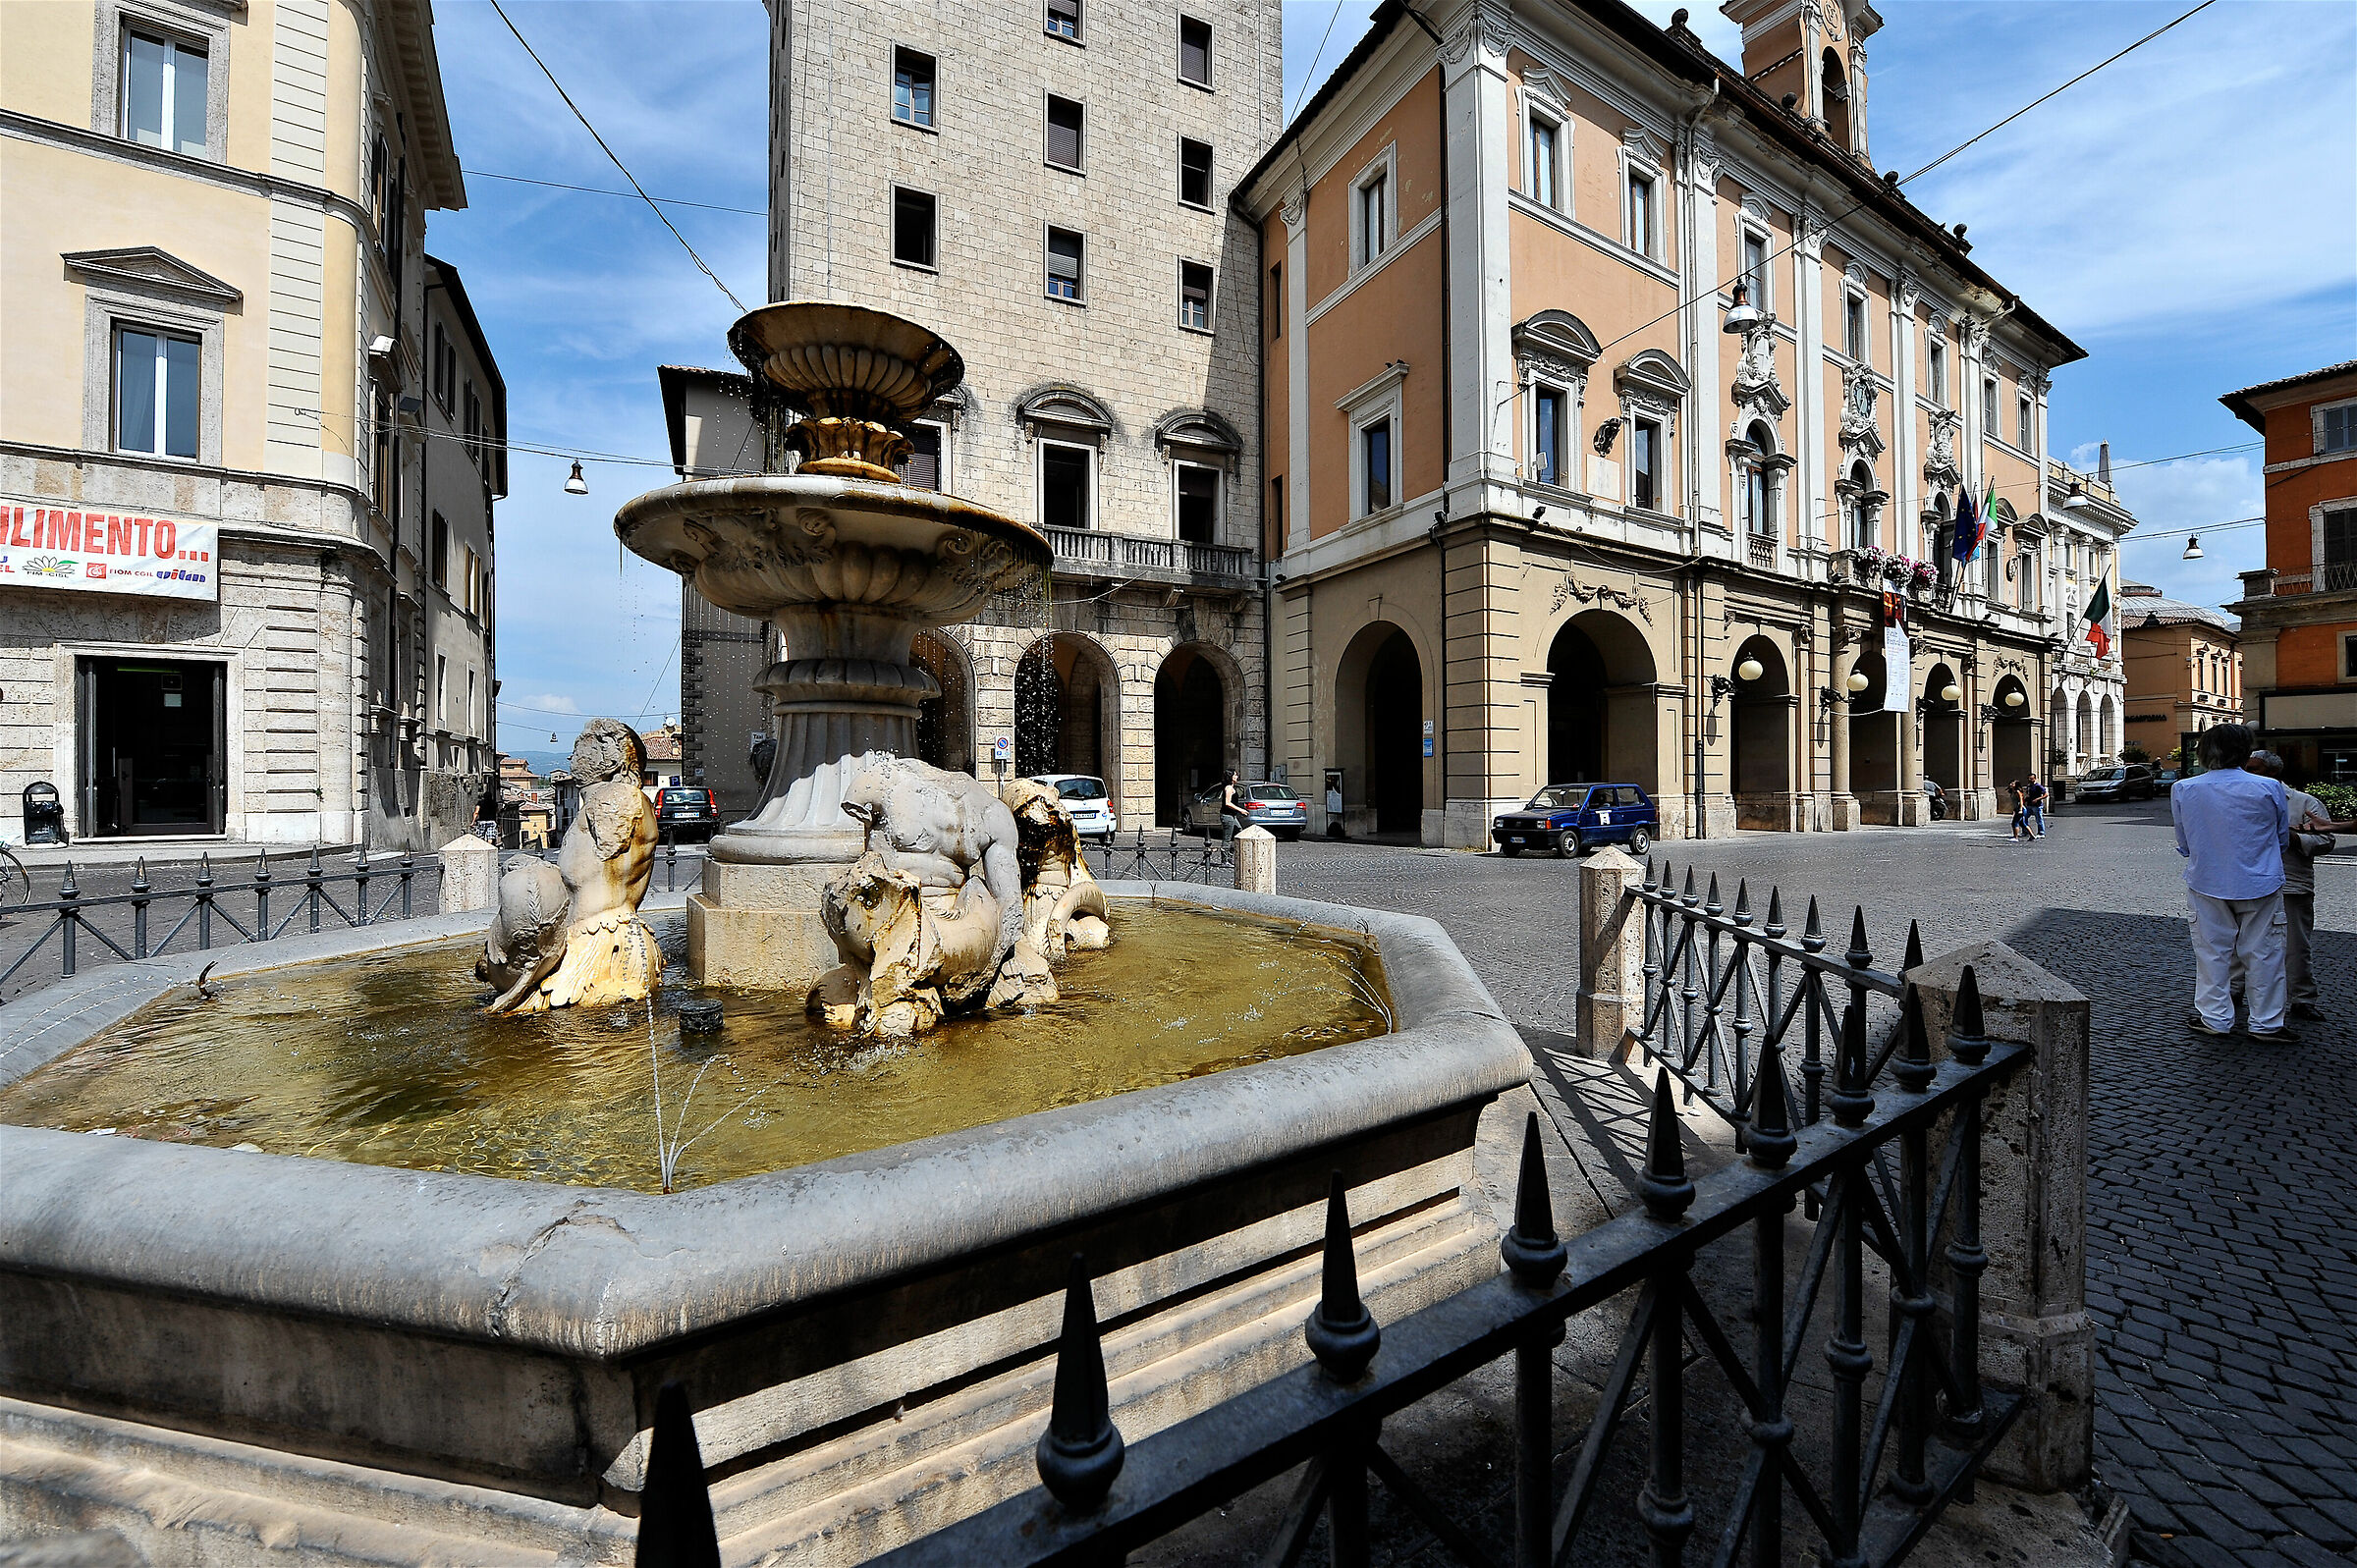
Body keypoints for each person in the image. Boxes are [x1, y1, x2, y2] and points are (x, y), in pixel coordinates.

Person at [2170, 724, 2293, 1042]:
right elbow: (2281, 838)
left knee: (2212, 954)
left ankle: (2216, 1019)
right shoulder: (2269, 787)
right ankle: (2266, 1023)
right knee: (2265, 954)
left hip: (2207, 879)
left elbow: (2184, 844)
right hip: (2260, 880)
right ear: (2245, 752)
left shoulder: (2185, 789)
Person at [2246, 751, 2332, 1022]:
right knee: (2241, 942)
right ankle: (2235, 990)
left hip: (2292, 884)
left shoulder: (2305, 802)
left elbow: (2327, 840)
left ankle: (2302, 999)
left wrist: (2293, 838)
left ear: (2273, 773)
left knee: (2296, 946)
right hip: (2251, 884)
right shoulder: (2243, 800)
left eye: (2254, 769)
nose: (2248, 773)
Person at [1215, 769, 1248, 844]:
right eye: (1235, 775)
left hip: (1232, 815)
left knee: (1239, 832)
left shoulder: (1232, 787)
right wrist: (1240, 810)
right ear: (1231, 777)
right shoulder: (1229, 788)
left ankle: (1232, 852)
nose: (1237, 776)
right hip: (1227, 815)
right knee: (1227, 838)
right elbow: (1227, 803)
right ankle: (1226, 856)